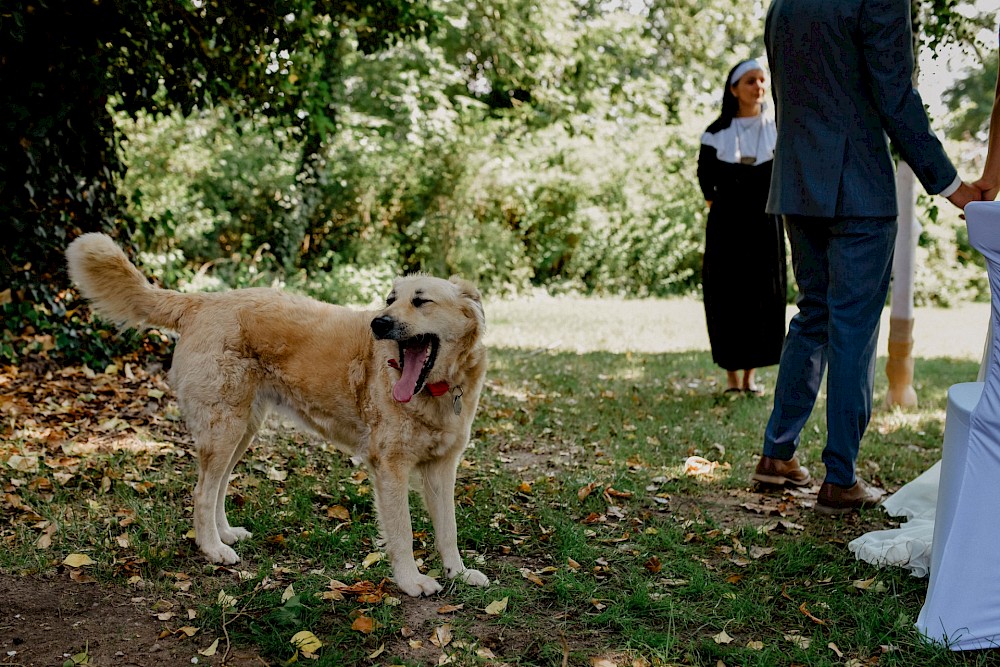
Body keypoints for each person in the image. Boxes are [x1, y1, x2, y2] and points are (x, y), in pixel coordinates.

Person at [751, 0, 981, 514]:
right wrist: (951, 185)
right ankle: (840, 478)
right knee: (853, 326)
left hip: (795, 181)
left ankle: (776, 454)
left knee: (813, 315)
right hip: (857, 185)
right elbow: (895, 95)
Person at [697, 59, 787, 397]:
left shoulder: (778, 128)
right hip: (726, 228)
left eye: (762, 80)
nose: (758, 87)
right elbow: (706, 179)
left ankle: (750, 377)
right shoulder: (715, 133)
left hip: (766, 225)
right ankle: (732, 378)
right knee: (727, 294)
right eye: (750, 81)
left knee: (761, 295)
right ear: (734, 89)